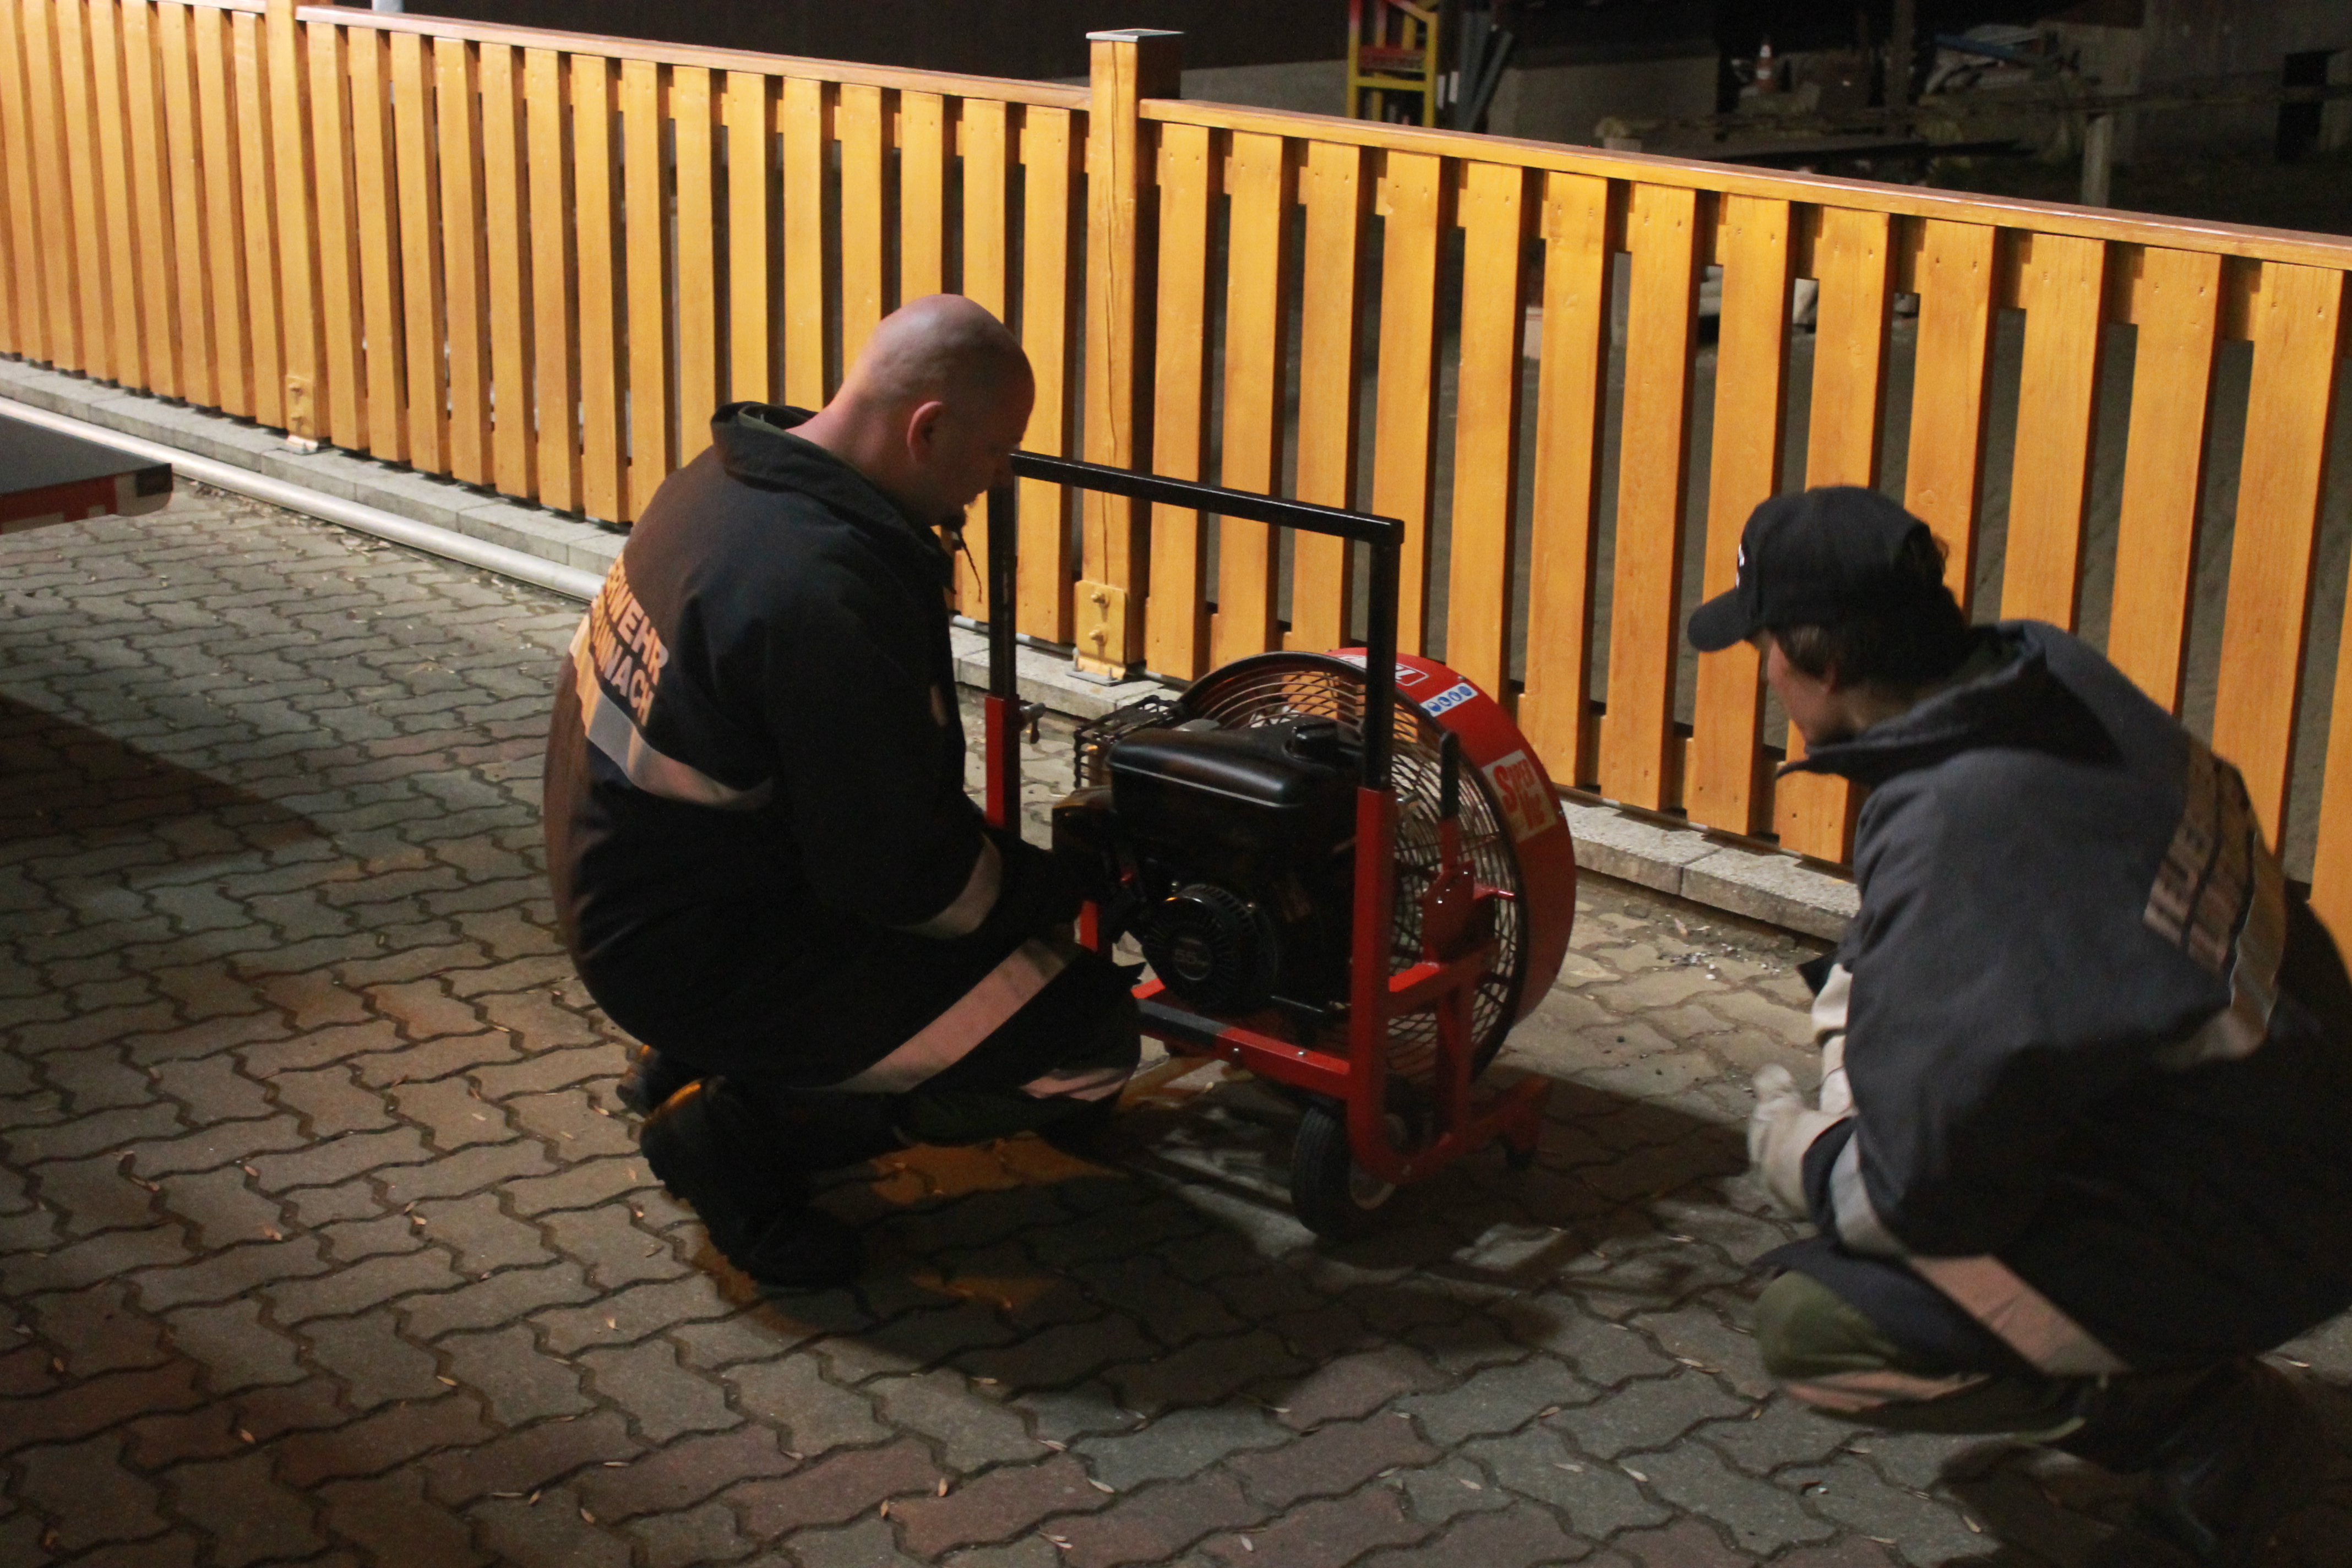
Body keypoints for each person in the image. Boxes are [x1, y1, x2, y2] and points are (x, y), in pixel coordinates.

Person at [1692, 486, 2352, 1567]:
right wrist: (1866, 1013)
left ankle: (2207, 1427)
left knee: (1822, 1325)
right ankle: (2175, 1358)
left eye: (1765, 646)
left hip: (2262, 1217)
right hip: (2284, 1129)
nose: (1764, 674)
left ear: (1824, 665)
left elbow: (1914, 1197)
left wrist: (1800, 1151)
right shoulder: (2043, 678)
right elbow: (1989, 931)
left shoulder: (1959, 821)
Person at [543, 295, 1139, 1291]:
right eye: (996, 452)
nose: (999, 478)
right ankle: (737, 1136)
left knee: (991, 947)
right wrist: (1061, 890)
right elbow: (908, 879)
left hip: (633, 892)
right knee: (1087, 1044)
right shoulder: (820, 590)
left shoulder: (727, 484)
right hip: (688, 949)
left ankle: (698, 1056)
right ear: (926, 429)